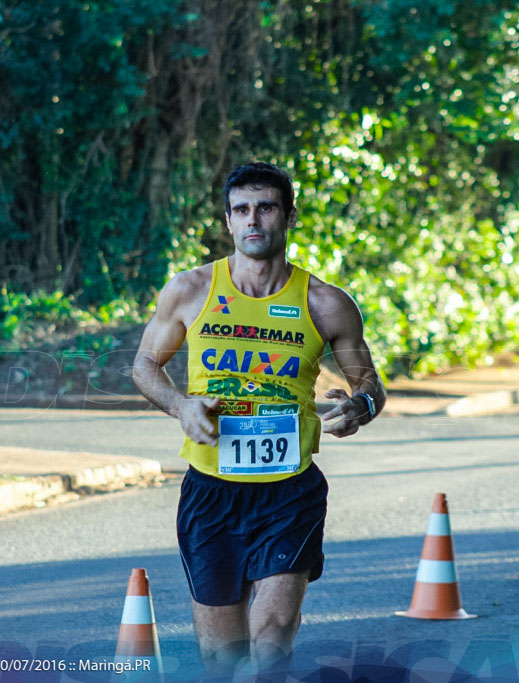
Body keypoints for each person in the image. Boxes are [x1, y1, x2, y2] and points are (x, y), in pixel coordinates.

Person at [132, 162, 386, 678]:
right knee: (222, 660)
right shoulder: (190, 290)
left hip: (289, 492)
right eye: (242, 210)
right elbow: (144, 366)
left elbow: (371, 385)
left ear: (288, 216)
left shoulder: (325, 304)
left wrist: (359, 407)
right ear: (228, 221)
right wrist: (182, 406)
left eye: (266, 207)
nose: (254, 220)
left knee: (272, 635)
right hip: (211, 491)